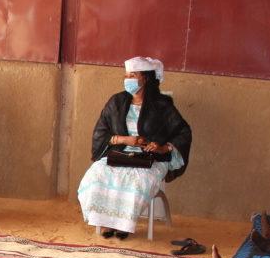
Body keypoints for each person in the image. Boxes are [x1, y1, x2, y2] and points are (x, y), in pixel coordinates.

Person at [78, 57, 192, 240]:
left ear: (145, 78)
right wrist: (125, 139)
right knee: (96, 174)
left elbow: (182, 132)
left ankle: (124, 224)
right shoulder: (116, 102)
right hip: (119, 154)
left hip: (150, 160)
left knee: (135, 181)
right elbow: (100, 133)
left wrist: (163, 148)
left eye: (133, 75)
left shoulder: (162, 105)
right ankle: (106, 222)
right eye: (126, 75)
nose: (128, 79)